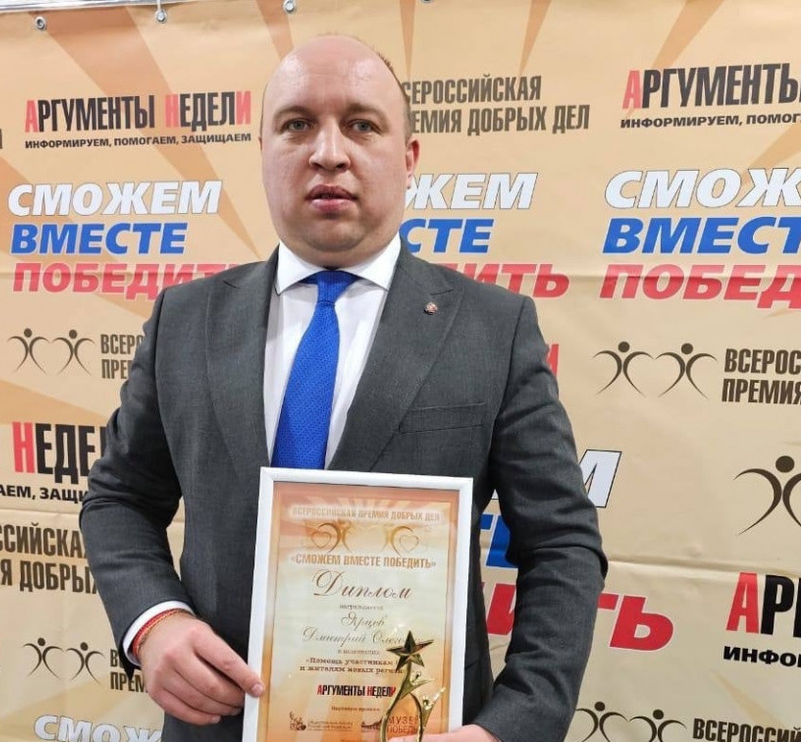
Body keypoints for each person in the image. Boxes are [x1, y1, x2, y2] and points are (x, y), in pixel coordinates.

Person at [80, 35, 606, 742]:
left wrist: (509, 726)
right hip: (217, 722)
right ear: (263, 151)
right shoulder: (186, 319)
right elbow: (119, 499)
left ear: (408, 158)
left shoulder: (493, 329)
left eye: (361, 124)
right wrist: (154, 622)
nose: (328, 152)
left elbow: (563, 544)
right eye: (297, 124)